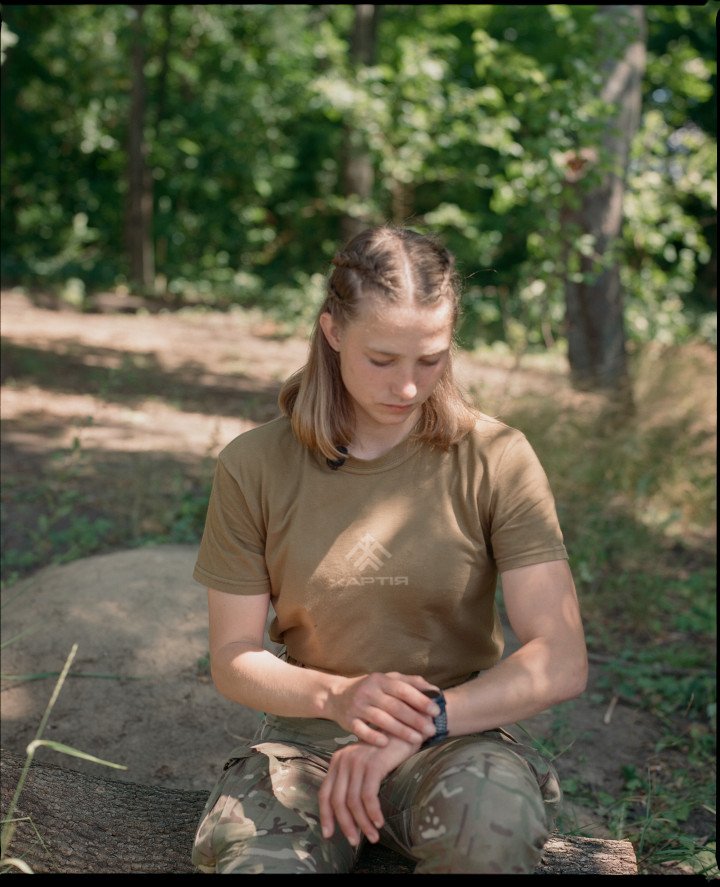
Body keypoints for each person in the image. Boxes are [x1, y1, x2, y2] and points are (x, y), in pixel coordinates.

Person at [190, 225, 588, 874]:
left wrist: (422, 721)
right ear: (333, 331)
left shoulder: (497, 459)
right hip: (305, 750)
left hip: (455, 737)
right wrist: (337, 698)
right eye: (382, 359)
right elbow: (234, 658)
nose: (408, 386)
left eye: (430, 358)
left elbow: (562, 656)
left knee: (489, 839)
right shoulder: (254, 465)